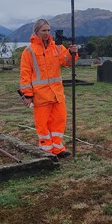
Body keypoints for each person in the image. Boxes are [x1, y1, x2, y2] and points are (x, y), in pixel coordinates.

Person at [19, 19, 78, 159]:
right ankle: (46, 150)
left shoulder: (56, 47)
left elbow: (68, 62)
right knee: (43, 124)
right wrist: (27, 95)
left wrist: (72, 52)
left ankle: (58, 148)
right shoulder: (29, 51)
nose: (46, 33)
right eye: (43, 30)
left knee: (59, 120)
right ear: (36, 32)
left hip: (57, 93)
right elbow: (25, 74)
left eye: (48, 30)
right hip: (41, 95)